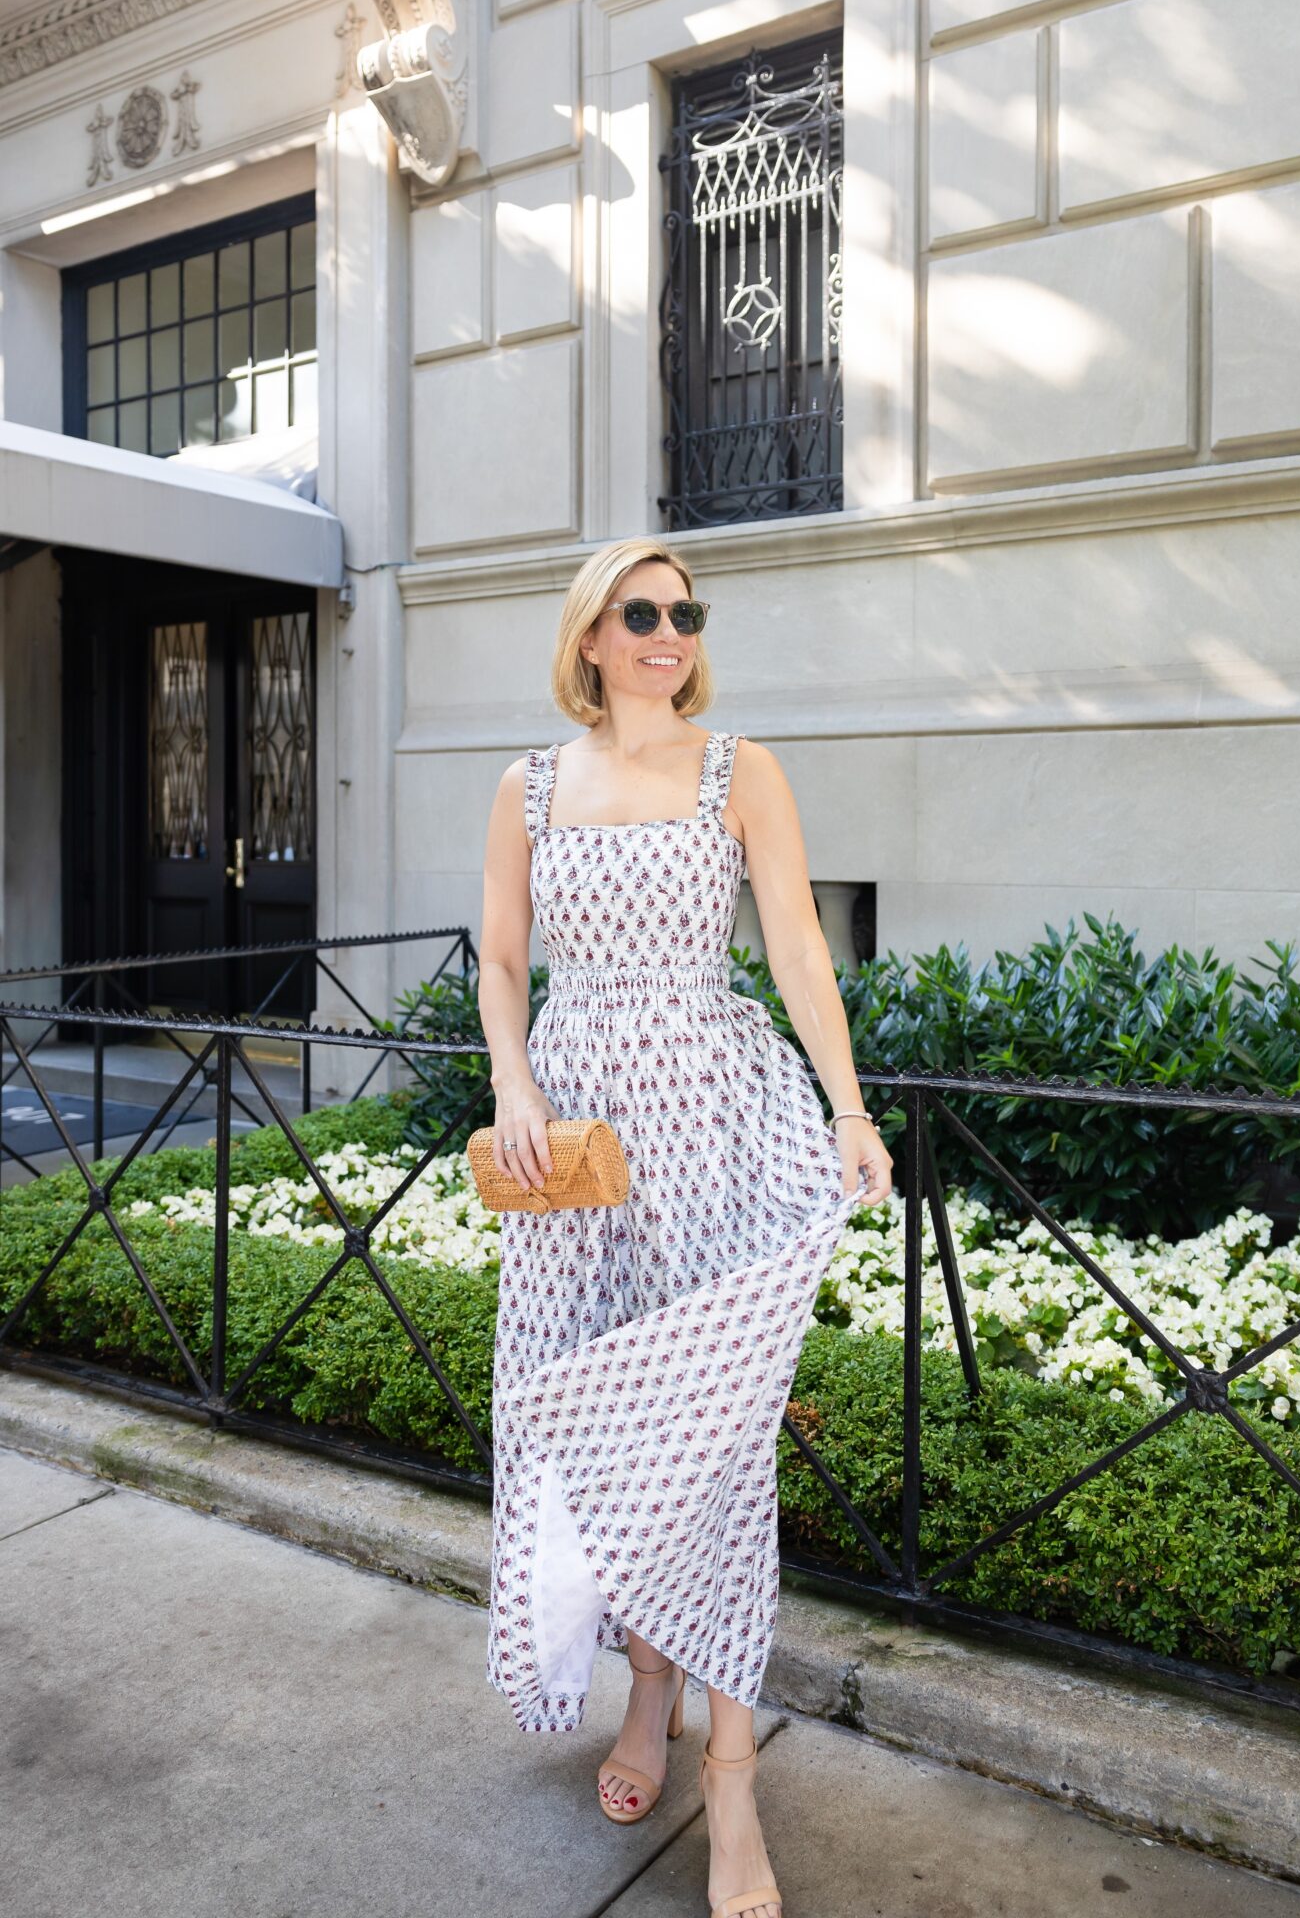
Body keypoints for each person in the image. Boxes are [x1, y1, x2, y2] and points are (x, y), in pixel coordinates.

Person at [477, 536, 893, 1918]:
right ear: (590, 634)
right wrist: (515, 1082)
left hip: (713, 1118)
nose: (667, 630)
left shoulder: (739, 770)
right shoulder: (528, 785)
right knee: (590, 1426)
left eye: (682, 612)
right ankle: (641, 1681)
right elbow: (497, 956)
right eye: (638, 611)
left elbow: (791, 948)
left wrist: (847, 1109)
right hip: (581, 1147)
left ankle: (730, 1779)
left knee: (711, 1432)